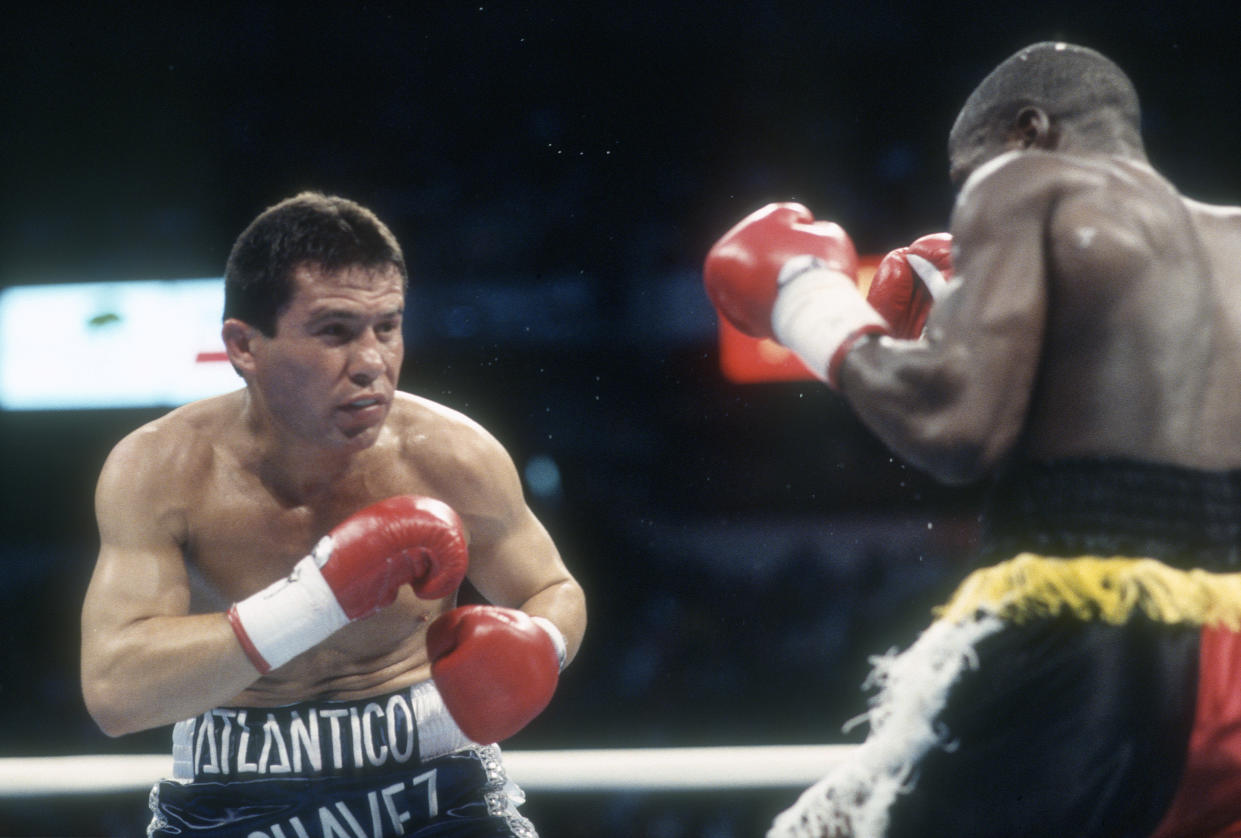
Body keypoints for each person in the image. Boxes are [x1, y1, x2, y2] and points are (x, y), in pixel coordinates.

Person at [704, 42, 1241, 838]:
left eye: (968, 178)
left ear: (1028, 130)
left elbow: (954, 429)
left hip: (1088, 631)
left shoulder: (1025, 180)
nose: (970, 201)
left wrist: (807, 302)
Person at [80, 192, 587, 838]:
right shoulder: (160, 469)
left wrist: (540, 641)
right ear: (243, 345)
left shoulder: (451, 454)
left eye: (388, 326)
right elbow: (115, 692)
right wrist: (318, 599)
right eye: (335, 332)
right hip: (235, 799)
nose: (372, 363)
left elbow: (551, 587)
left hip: (435, 789)